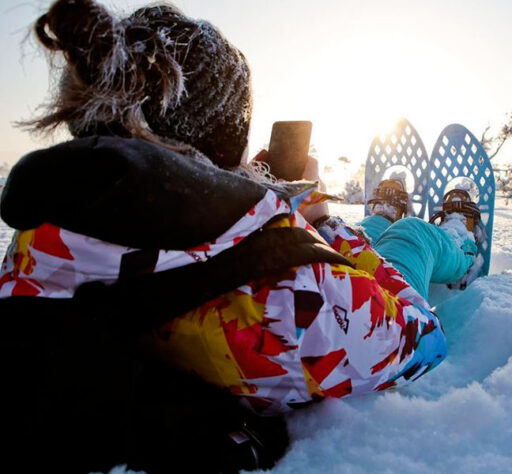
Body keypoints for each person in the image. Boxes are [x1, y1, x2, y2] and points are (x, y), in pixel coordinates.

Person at [0, 0, 479, 471]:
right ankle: (458, 237)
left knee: (370, 232)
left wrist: (254, 197)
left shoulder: (39, 242)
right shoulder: (291, 301)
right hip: (300, 304)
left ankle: (378, 215)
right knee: (412, 238)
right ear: (221, 143)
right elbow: (420, 338)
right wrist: (323, 224)